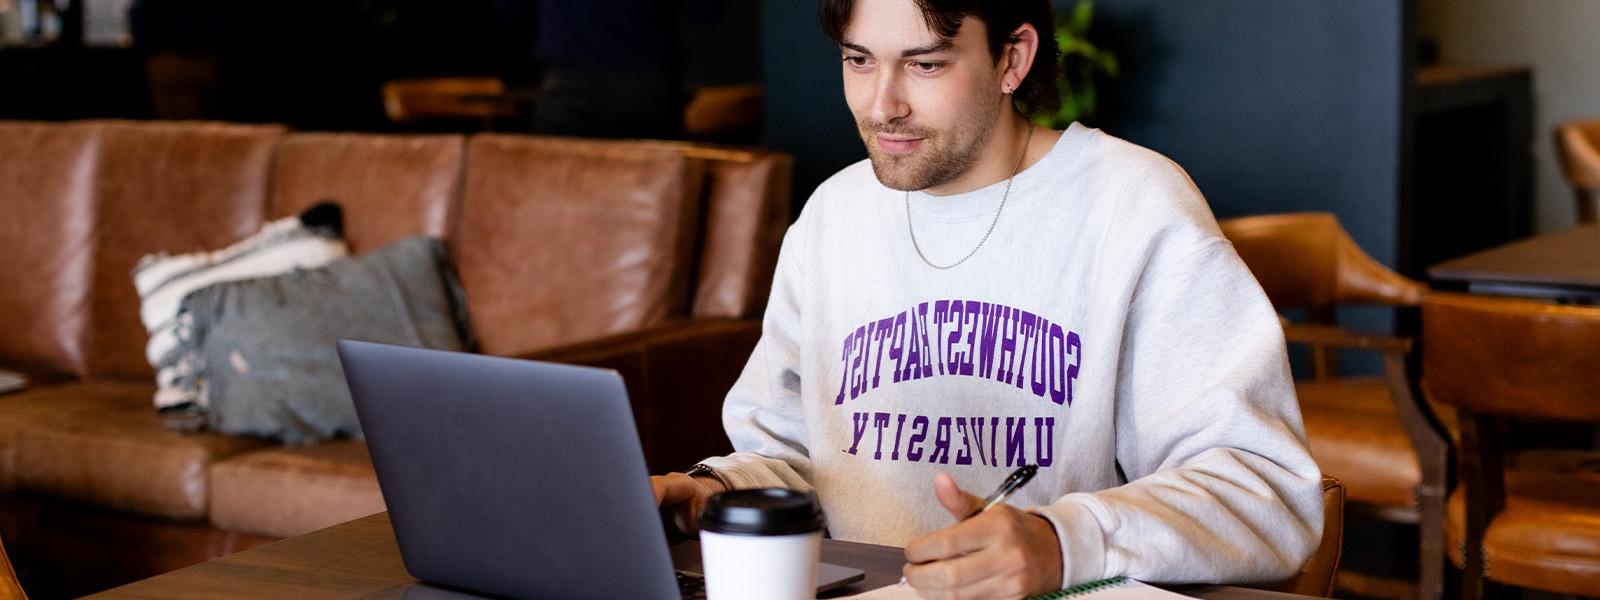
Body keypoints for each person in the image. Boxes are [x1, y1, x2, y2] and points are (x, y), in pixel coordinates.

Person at [652, 0, 1323, 597]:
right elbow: (795, 451)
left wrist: (1063, 545)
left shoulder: (1138, 209)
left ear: (1013, 58)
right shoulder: (832, 216)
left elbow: (1263, 492)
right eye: (859, 60)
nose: (882, 103)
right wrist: (715, 493)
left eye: (926, 65)